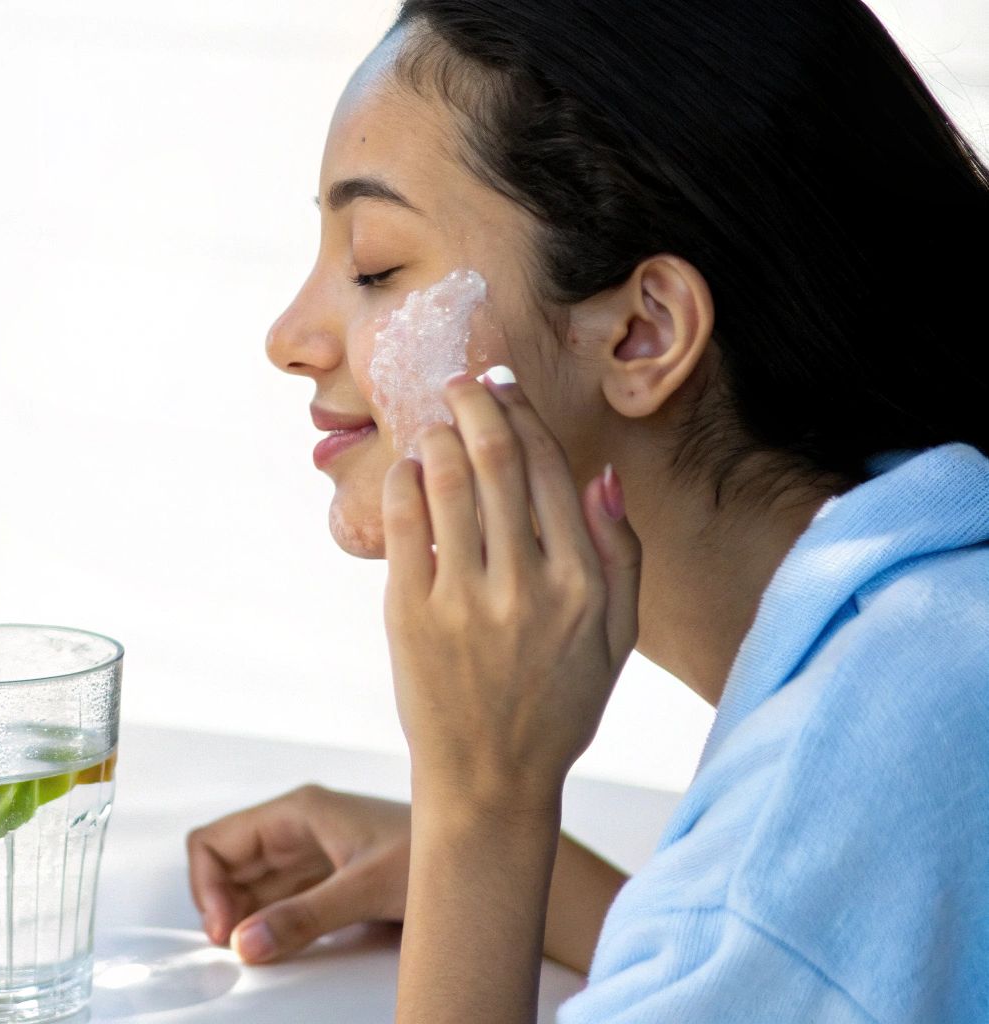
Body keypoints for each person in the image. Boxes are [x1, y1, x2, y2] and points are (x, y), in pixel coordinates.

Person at [186, 1, 989, 1020]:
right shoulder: (938, 621)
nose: (288, 336)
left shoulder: (843, 788)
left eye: (376, 265)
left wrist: (479, 821)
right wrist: (548, 883)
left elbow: (768, 915)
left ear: (641, 334)